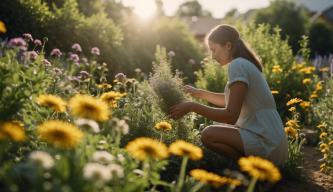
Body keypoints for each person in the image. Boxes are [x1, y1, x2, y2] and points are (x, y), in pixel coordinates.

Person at [168, 24, 288, 167]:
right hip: (273, 139)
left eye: (214, 49)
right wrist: (198, 93)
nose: (212, 56)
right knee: (216, 127)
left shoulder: (237, 65)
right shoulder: (243, 63)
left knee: (209, 134)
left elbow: (231, 116)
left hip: (266, 142)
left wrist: (192, 106)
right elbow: (229, 101)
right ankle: (249, 170)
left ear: (228, 46)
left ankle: (248, 170)